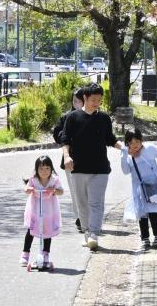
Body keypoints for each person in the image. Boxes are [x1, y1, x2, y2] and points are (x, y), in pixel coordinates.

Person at [60, 82, 122, 250]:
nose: (96, 103)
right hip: (78, 167)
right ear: (85, 98)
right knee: (82, 203)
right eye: (93, 99)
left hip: (100, 168)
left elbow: (110, 138)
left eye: (99, 100)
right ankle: (87, 232)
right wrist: (67, 157)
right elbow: (65, 140)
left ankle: (94, 233)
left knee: (96, 202)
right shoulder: (72, 118)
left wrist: (124, 148)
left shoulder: (103, 118)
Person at [21, 154, 63, 271]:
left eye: (47, 168)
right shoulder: (33, 180)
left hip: (49, 211)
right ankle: (25, 253)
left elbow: (61, 191)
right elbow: (26, 189)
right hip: (35, 210)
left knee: (47, 232)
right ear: (37, 169)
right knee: (31, 230)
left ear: (51, 169)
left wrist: (54, 190)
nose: (44, 171)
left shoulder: (54, 180)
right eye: (41, 169)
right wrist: (28, 190)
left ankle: (45, 254)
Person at [52, 86, 85, 231]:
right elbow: (57, 133)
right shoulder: (66, 117)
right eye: (74, 101)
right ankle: (79, 217)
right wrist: (66, 138)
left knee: (86, 190)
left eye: (79, 101)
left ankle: (88, 217)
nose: (76, 103)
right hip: (69, 159)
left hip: (87, 159)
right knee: (74, 190)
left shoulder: (92, 116)